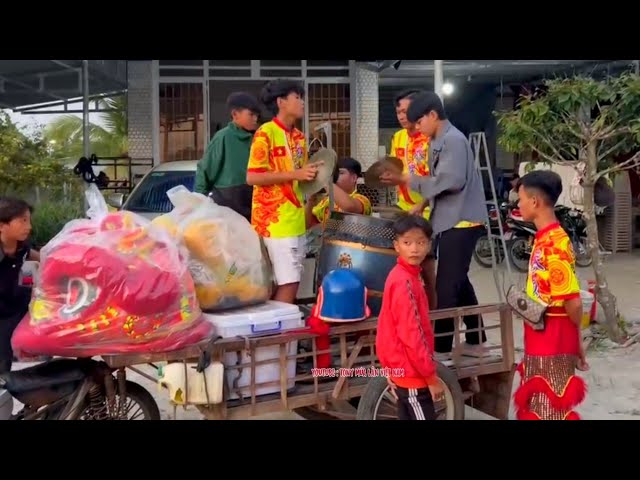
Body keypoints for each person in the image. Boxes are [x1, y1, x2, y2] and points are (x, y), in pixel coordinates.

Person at [380, 91, 488, 355]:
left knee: (446, 287)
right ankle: (477, 339)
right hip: (449, 220)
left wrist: (406, 179)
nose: (416, 128)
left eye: (419, 122)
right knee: (460, 282)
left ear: (432, 115)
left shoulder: (452, 140)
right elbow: (438, 185)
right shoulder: (439, 140)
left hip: (462, 221)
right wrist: (422, 204)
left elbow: (450, 181)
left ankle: (440, 350)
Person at [513, 170, 588, 420]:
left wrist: (575, 340)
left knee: (549, 404)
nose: (518, 204)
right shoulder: (543, 237)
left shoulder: (555, 242)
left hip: (554, 333)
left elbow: (573, 302)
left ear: (534, 202)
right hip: (542, 330)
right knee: (540, 401)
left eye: (521, 198)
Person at [246, 79, 320, 304]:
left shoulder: (299, 137)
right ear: (281, 102)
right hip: (274, 222)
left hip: (295, 219)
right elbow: (252, 177)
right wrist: (295, 174)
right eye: (296, 97)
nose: (302, 102)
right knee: (289, 283)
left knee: (289, 282)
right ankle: (281, 338)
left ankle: (282, 337)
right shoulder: (265, 133)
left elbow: (302, 180)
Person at [376, 215, 444, 420]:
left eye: (421, 242)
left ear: (429, 245)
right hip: (412, 373)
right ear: (396, 246)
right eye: (407, 242)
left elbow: (386, 326)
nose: (414, 248)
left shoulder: (404, 275)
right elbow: (412, 335)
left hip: (403, 370)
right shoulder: (404, 282)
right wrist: (430, 377)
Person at [195, 92, 261, 222]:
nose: (255, 119)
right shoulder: (223, 137)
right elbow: (205, 170)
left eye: (257, 115)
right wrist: (198, 203)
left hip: (254, 208)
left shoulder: (259, 138)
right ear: (235, 114)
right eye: (251, 114)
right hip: (227, 208)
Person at [0, 197, 39, 374]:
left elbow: (35, 260)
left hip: (19, 311)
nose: (28, 226)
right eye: (23, 220)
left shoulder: (22, 248)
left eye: (29, 220)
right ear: (2, 226)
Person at [389, 89, 431, 219]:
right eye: (398, 112)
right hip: (404, 206)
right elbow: (394, 166)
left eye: (405, 112)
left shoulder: (431, 138)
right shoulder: (398, 137)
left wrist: (423, 204)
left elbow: (439, 179)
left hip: (430, 208)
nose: (401, 117)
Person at [306, 157, 372, 228]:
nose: (335, 177)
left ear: (354, 178)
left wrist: (325, 180)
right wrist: (311, 200)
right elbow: (306, 225)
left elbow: (349, 206)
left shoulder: (362, 200)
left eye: (341, 173)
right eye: (334, 174)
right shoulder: (326, 202)